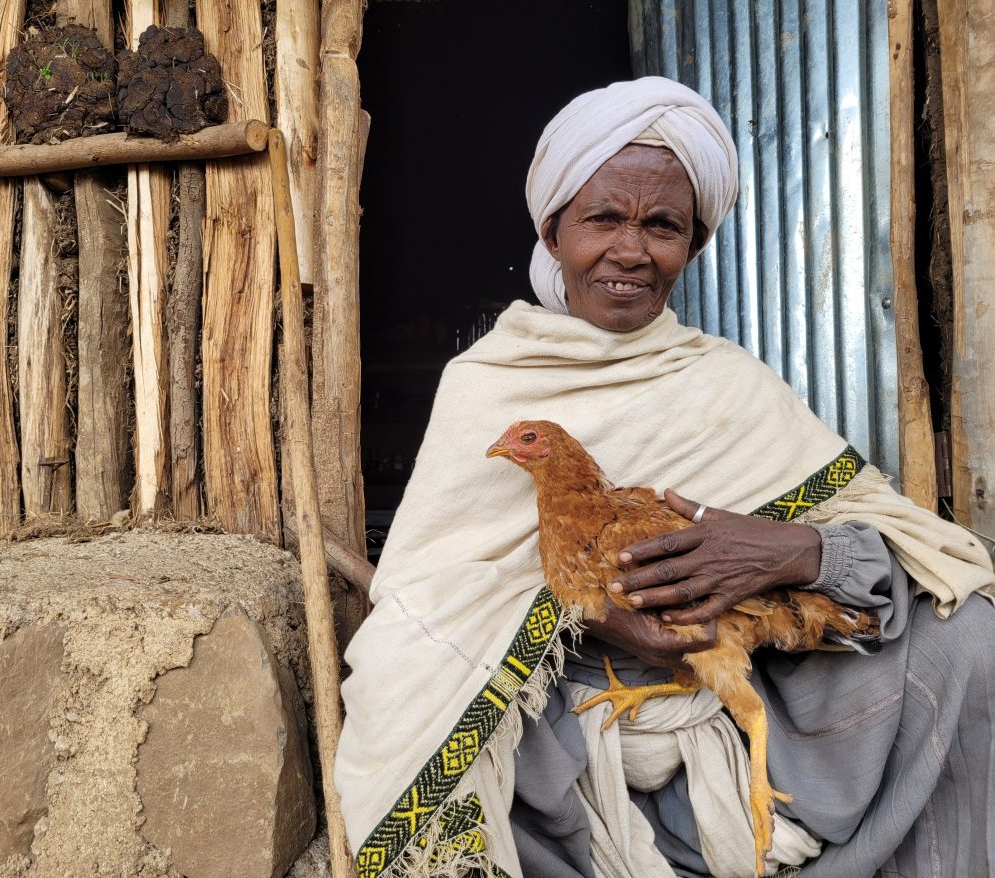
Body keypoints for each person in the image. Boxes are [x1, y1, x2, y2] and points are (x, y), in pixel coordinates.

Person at [335, 77, 995, 878]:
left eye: (662, 226)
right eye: (603, 219)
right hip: (561, 725)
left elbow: (907, 546)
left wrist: (789, 552)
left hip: (748, 689)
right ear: (551, 233)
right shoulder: (492, 383)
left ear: (693, 244)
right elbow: (426, 594)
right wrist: (596, 612)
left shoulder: (727, 382)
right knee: (417, 701)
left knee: (968, 638)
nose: (630, 251)